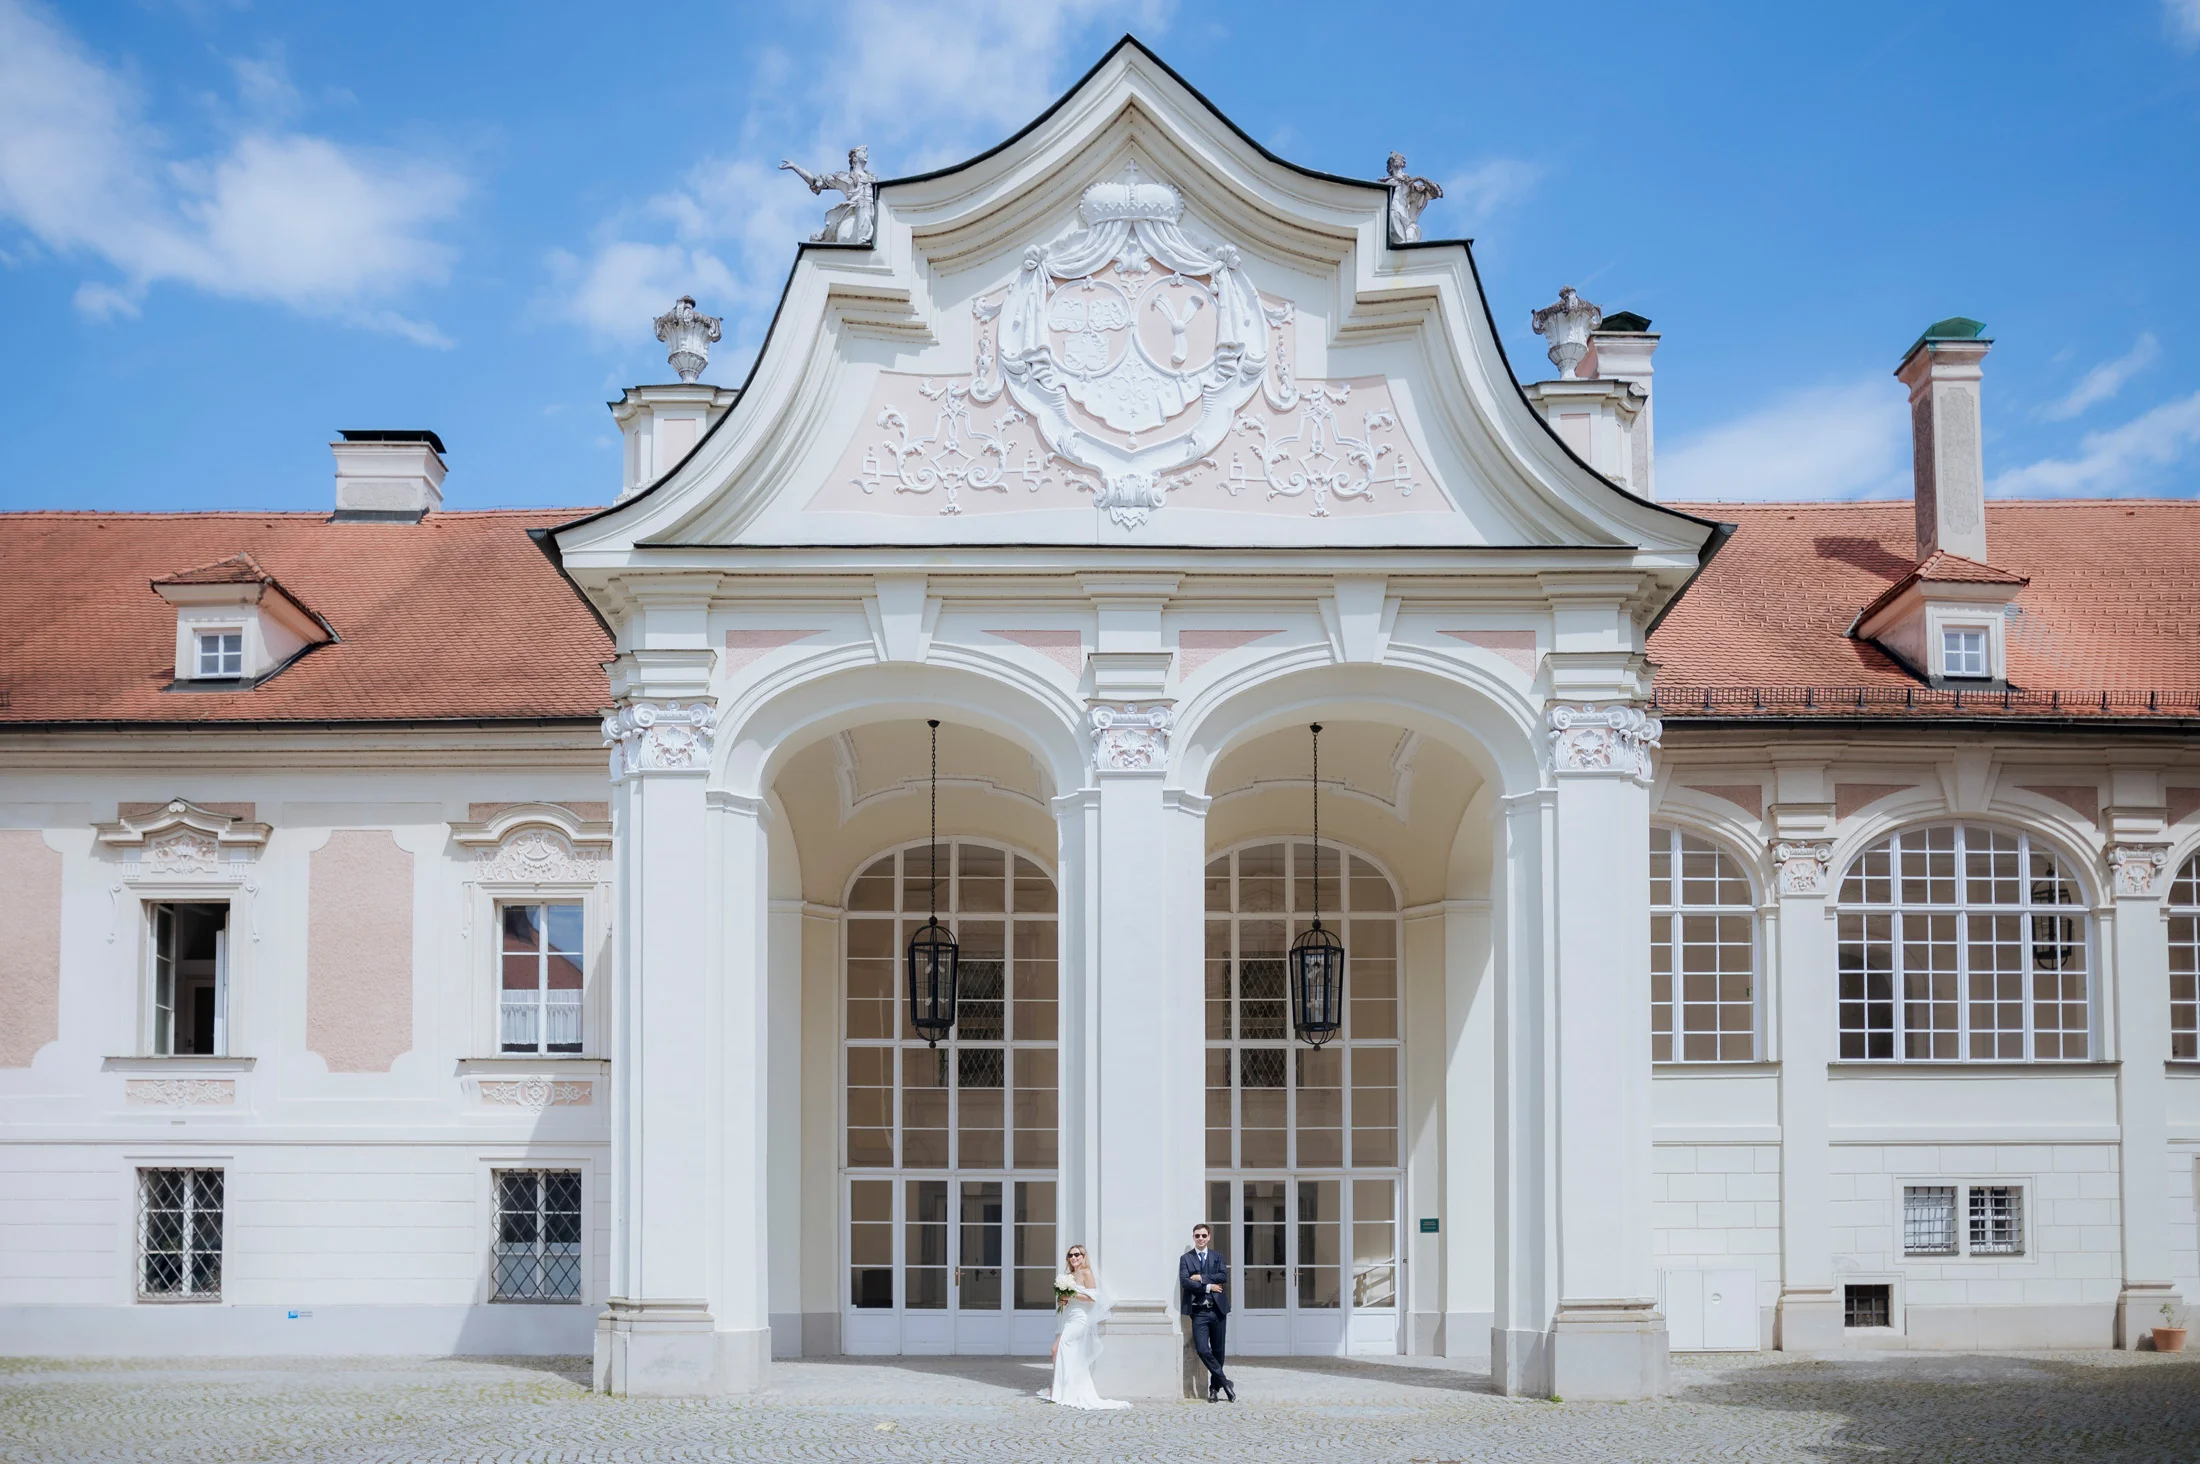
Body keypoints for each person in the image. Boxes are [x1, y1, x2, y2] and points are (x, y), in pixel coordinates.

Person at [1044, 1244, 1129, 1409]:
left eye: (1077, 1254)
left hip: (1080, 1319)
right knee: (1056, 1350)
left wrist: (1072, 1294)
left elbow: (1093, 1298)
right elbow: (1064, 1299)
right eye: (1070, 1255)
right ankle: (1059, 1388)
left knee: (1062, 1348)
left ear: (1083, 1256)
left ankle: (1062, 1390)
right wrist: (1062, 1299)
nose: (1074, 1258)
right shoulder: (1068, 1275)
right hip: (1069, 1317)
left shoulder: (1086, 1273)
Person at [1180, 1224, 1234, 1402]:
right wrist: (1209, 1287)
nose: (1201, 1238)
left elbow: (1222, 1276)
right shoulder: (1186, 1259)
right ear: (1193, 1237)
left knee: (1218, 1351)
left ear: (1209, 1237)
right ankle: (1225, 1381)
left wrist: (1201, 1278)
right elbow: (1185, 1282)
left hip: (1218, 1311)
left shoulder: (1217, 1256)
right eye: (1197, 1236)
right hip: (1199, 1312)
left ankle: (1214, 1389)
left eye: (1204, 1235)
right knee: (1203, 1349)